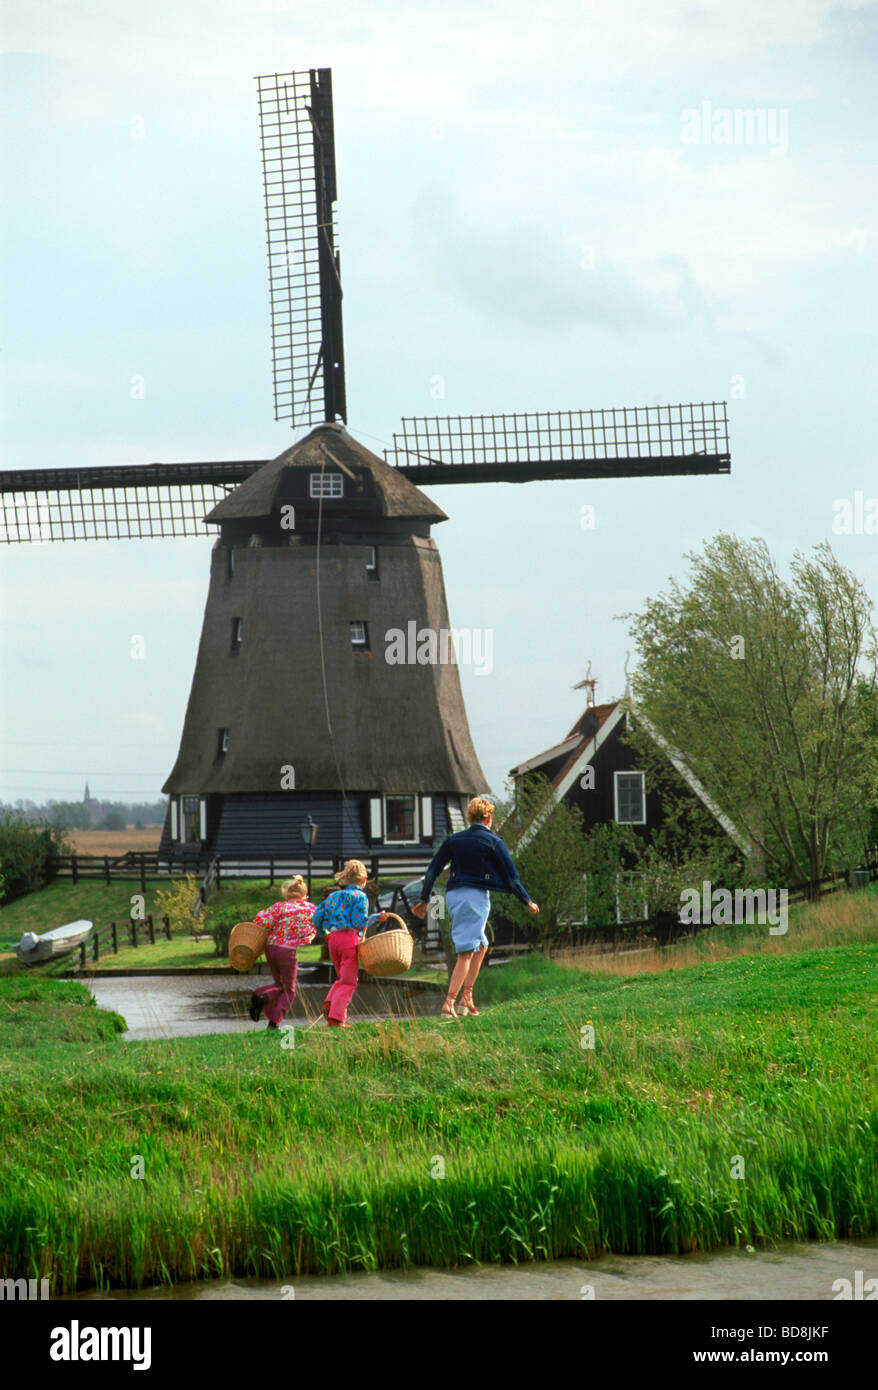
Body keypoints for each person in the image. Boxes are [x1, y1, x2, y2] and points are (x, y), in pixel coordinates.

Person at [412, 796, 539, 1019]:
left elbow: (432, 871)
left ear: (470, 818)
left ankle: (467, 998)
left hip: (453, 895)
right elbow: (512, 879)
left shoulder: (454, 840)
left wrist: (424, 899)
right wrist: (527, 901)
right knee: (466, 952)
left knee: (481, 945)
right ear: (489, 818)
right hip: (475, 898)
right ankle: (449, 1002)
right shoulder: (494, 842)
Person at [313, 860, 386, 1027]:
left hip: (333, 939)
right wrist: (377, 917)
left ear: (346, 878)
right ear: (364, 879)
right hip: (348, 939)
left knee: (342, 977)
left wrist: (322, 932)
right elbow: (360, 922)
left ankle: (330, 1003)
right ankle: (336, 1019)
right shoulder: (360, 897)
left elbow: (317, 916)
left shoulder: (333, 896)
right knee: (349, 981)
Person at [249, 876, 316, 1030]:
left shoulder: (279, 906)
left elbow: (260, 920)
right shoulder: (310, 908)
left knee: (279, 985)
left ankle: (259, 996)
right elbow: (321, 920)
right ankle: (273, 1021)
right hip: (287, 952)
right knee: (290, 990)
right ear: (305, 897)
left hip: (271, 948)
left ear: (287, 895)